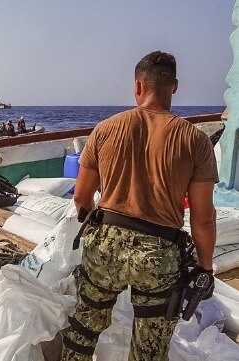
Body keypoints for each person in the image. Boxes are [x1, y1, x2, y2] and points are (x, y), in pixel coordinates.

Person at [61, 51, 217, 361]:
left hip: (106, 245)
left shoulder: (105, 129)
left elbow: (80, 198)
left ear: (137, 87)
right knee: (149, 350)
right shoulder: (195, 141)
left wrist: (93, 226)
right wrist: (205, 268)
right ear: (174, 87)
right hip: (159, 254)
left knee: (83, 331)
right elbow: (203, 218)